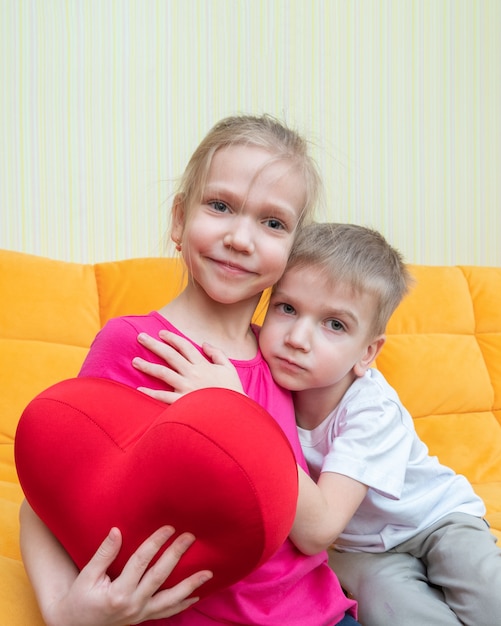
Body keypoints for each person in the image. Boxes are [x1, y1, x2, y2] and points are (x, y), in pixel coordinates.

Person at [19, 115, 358, 626]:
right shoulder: (135, 345)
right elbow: (47, 491)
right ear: (179, 220)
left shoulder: (286, 356)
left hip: (319, 615)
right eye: (220, 207)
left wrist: (232, 407)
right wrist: (63, 611)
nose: (242, 239)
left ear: (291, 251)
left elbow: (311, 526)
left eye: (273, 223)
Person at [142, 222, 501, 626]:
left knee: (491, 596)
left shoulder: (372, 410)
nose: (297, 338)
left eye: (334, 325)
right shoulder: (259, 372)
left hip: (435, 520)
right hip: (356, 550)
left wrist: (236, 411)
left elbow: (318, 527)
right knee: (399, 613)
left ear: (367, 353)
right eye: (287, 308)